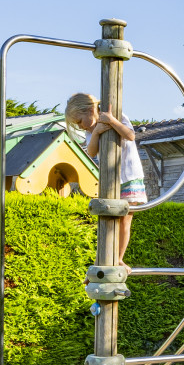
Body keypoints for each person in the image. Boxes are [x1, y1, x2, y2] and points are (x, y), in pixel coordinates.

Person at [65, 92, 146, 270]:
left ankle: (118, 258)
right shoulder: (90, 131)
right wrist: (97, 132)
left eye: (79, 121)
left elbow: (130, 136)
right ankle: (102, 260)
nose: (80, 126)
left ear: (90, 110)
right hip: (111, 181)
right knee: (108, 220)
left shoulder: (116, 115)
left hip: (129, 176)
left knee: (125, 219)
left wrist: (111, 121)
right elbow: (92, 152)